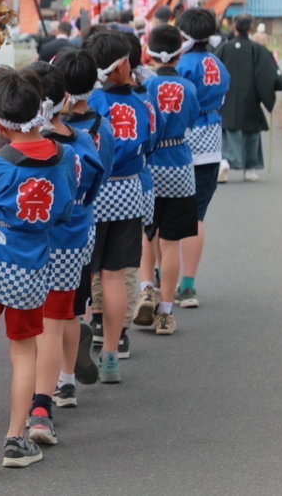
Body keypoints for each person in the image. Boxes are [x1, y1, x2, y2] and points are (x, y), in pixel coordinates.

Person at [0, 67, 76, 473]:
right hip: (30, 265)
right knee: (23, 350)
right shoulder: (65, 160)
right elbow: (63, 213)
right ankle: (15, 438)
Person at [26, 61, 104, 445]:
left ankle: (39, 402)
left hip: (34, 243)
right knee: (66, 312)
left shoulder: (23, 148)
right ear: (66, 98)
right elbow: (92, 188)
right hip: (74, 236)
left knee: (38, 325)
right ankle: (66, 381)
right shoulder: (83, 141)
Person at [87, 28, 159, 381]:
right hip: (129, 192)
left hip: (95, 193)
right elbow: (151, 144)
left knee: (85, 277)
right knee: (115, 276)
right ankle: (112, 355)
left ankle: (76, 358)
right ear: (119, 67)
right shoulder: (144, 102)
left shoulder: (94, 103)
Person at [53, 50, 115, 397]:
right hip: (81, 222)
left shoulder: (45, 132)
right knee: (72, 307)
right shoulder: (100, 128)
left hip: (47, 231)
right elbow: (101, 175)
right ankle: (66, 380)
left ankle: (44, 389)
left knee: (46, 310)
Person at [133, 25, 200, 335]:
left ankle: (146, 289)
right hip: (180, 166)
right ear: (180, 52)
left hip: (149, 166)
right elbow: (192, 119)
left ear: (150, 51)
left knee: (148, 235)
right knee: (171, 242)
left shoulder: (145, 87)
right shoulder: (188, 87)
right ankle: (165, 313)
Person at [175, 8, 231, 309]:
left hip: (181, 144)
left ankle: (161, 279)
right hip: (211, 143)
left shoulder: (182, 65)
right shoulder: (218, 65)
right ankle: (189, 284)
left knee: (169, 214)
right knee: (197, 215)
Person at [215, 13, 282, 183]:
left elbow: (213, 70)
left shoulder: (224, 48)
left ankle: (225, 161)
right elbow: (270, 75)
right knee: (251, 134)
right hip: (251, 99)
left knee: (229, 133)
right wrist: (273, 88)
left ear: (234, 28)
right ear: (251, 29)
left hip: (229, 98)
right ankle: (249, 169)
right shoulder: (258, 50)